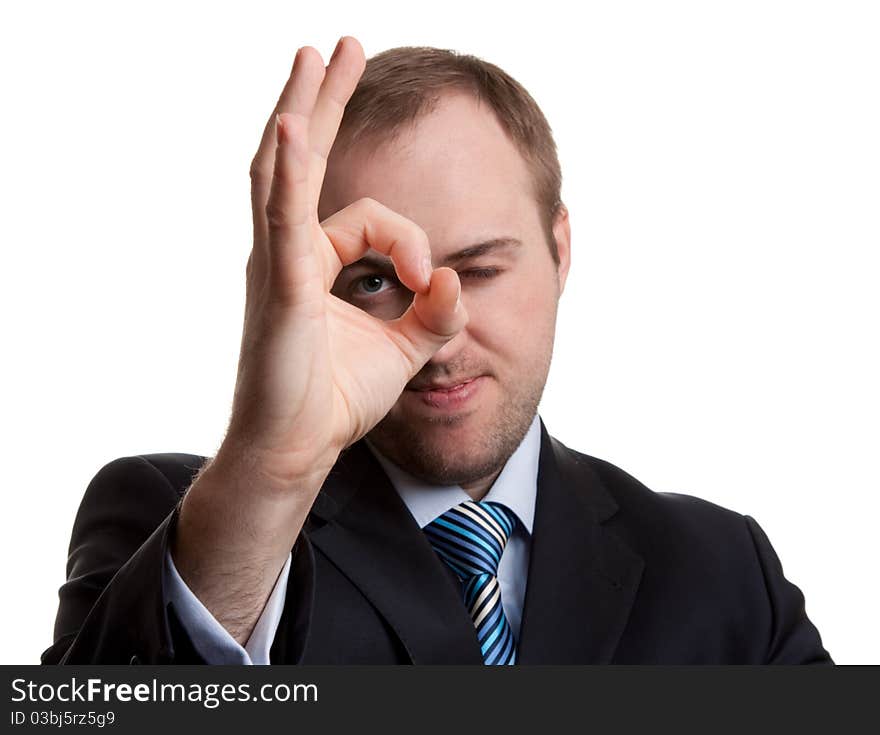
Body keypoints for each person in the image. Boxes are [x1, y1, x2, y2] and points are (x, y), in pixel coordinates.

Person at [42, 36, 832, 665]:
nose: (441, 327)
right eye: (375, 282)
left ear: (562, 249)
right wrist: (270, 470)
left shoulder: (725, 572)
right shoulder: (178, 525)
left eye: (482, 268)